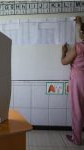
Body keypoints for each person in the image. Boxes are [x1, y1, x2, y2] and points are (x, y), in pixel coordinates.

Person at [61, 16, 84, 145]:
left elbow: (64, 62)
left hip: (79, 81)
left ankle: (77, 139)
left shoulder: (78, 47)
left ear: (82, 33)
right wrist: (80, 23)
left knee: (77, 109)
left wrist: (63, 52)